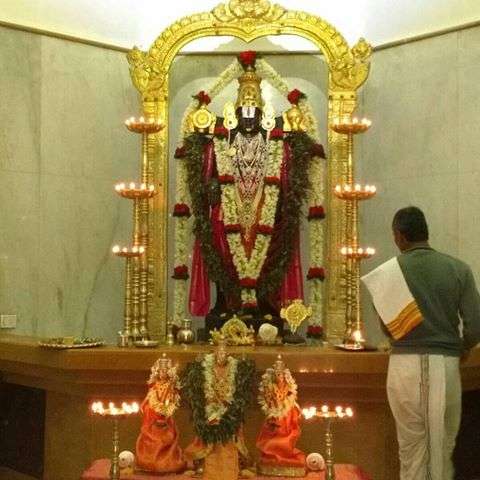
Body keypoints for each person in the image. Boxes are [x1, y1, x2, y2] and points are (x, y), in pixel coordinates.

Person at [362, 206, 480, 480]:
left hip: (404, 367)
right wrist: (462, 347)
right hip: (447, 365)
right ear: (426, 233)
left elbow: (389, 329)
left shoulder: (387, 273)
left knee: (412, 448)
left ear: (400, 236)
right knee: (442, 447)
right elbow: (475, 325)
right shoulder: (458, 269)